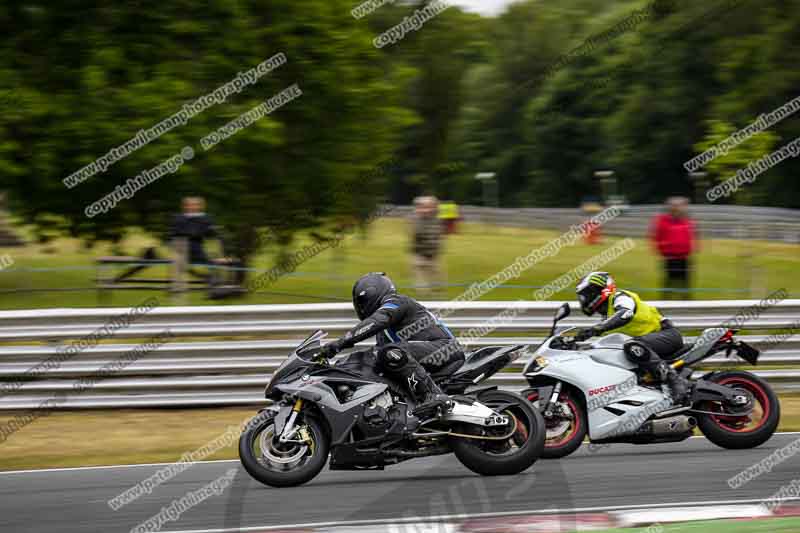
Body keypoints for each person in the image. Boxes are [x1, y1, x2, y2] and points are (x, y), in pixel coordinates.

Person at [319, 272, 464, 416]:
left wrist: (339, 344)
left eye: (361, 301)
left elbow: (377, 321)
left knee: (388, 352)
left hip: (445, 349)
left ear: (373, 293)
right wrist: (338, 366)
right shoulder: (383, 334)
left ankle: (433, 396)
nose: (360, 307)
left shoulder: (398, 302)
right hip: (424, 357)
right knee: (378, 359)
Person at [572, 271, 690, 401]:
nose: (586, 299)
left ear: (602, 289)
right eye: (583, 296)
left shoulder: (620, 297)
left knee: (631, 345)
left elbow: (625, 313)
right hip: (648, 346)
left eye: (588, 294)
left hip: (667, 335)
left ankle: (675, 380)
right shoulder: (607, 318)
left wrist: (597, 329)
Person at [650, 197, 697, 300]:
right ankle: (666, 301)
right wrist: (661, 249)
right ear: (671, 208)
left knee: (685, 282)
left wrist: (693, 247)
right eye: (676, 206)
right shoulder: (663, 221)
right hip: (669, 257)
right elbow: (656, 236)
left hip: (684, 257)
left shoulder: (687, 220)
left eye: (681, 206)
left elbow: (692, 235)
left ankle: (686, 300)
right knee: (669, 281)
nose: (679, 209)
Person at [411, 196, 443, 296]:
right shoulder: (416, 221)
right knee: (420, 276)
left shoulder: (436, 220)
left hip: (433, 254)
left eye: (430, 207)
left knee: (436, 275)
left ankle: (435, 292)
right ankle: (423, 295)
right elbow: (417, 235)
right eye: (424, 207)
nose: (427, 210)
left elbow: (437, 236)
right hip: (420, 254)